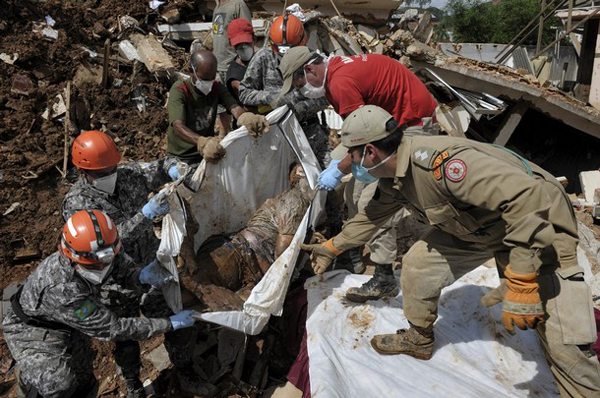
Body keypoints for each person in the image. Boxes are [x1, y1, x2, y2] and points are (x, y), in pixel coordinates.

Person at [300, 105, 600, 398]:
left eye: (351, 156)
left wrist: (521, 276)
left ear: (369, 152)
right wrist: (331, 247)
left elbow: (527, 198)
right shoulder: (394, 178)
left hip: (536, 227)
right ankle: (419, 338)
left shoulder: (441, 165)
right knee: (418, 265)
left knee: (565, 346)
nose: (350, 165)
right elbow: (371, 217)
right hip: (475, 227)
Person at [278, 46, 440, 302]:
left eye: (298, 83)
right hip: (393, 123)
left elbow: (363, 142)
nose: (300, 89)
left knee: (374, 201)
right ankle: (352, 249)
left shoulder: (340, 83)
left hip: (412, 125)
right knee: (353, 194)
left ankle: (384, 277)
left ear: (309, 69)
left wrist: (338, 168)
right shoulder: (335, 75)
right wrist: (338, 163)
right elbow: (358, 130)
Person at [3, 210, 199, 398]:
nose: (103, 268)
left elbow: (122, 269)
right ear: (71, 257)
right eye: (95, 266)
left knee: (84, 382)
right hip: (31, 330)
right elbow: (114, 329)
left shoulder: (105, 248)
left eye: (107, 261)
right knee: (58, 384)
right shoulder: (63, 289)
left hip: (68, 322)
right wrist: (170, 323)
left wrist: (140, 276)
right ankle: (29, 378)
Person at [62, 130, 177, 266]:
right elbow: (108, 242)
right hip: (122, 273)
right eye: (102, 174)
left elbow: (162, 165)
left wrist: (174, 169)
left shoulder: (129, 175)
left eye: (113, 170)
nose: (110, 176)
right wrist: (146, 215)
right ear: (82, 172)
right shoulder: (78, 204)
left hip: (152, 256)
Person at [192, 163, 312, 292]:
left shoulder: (301, 205)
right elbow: (284, 248)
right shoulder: (296, 199)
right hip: (240, 254)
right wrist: (283, 280)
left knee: (207, 293)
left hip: (249, 263)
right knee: (200, 287)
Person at [238, 14, 330, 168]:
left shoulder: (313, 59)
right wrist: (269, 98)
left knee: (326, 176)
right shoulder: (263, 57)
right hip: (274, 134)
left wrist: (301, 108)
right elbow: (244, 92)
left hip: (309, 132)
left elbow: (326, 95)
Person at [166, 49, 269, 166]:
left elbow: (234, 108)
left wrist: (246, 117)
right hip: (181, 157)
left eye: (211, 78)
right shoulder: (180, 90)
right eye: (204, 79)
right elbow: (177, 126)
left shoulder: (216, 87)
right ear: (191, 71)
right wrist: (202, 142)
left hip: (208, 153)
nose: (208, 83)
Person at [211, 0, 252, 136]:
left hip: (232, 67)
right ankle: (224, 139)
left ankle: (243, 137)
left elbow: (246, 33)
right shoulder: (218, 7)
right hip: (219, 65)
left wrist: (244, 63)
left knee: (240, 108)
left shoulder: (237, 5)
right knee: (222, 108)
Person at [225, 18, 256, 105]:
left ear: (254, 38)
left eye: (246, 43)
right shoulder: (235, 75)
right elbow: (250, 101)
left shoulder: (260, 59)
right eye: (238, 45)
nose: (243, 48)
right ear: (232, 44)